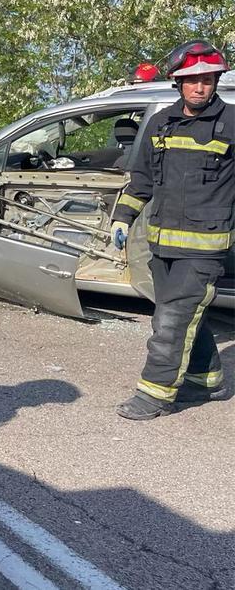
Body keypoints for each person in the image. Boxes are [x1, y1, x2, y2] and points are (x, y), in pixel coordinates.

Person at [111, 40, 235, 420]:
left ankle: (154, 394)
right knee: (176, 314)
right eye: (193, 81)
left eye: (208, 80)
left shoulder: (231, 124)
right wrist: (122, 217)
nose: (201, 88)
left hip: (204, 249)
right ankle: (206, 380)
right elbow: (142, 179)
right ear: (178, 83)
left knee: (172, 319)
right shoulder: (160, 121)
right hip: (161, 244)